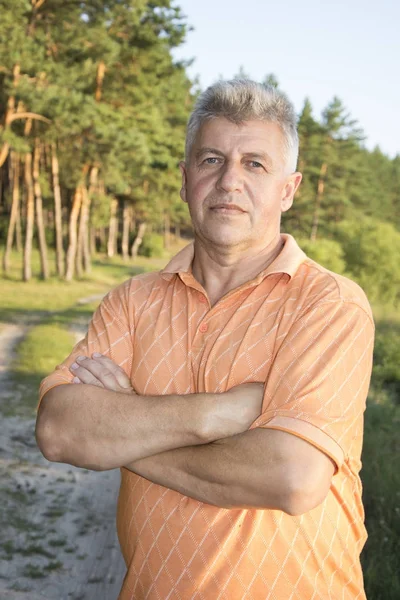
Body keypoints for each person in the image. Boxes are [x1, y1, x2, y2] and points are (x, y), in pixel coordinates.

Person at [36, 79, 374, 600]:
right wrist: (213, 414)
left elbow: (291, 476)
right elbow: (60, 428)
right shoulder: (132, 302)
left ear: (289, 188)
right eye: (212, 159)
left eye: (255, 163)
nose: (229, 181)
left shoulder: (329, 305)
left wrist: (126, 432)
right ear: (186, 177)